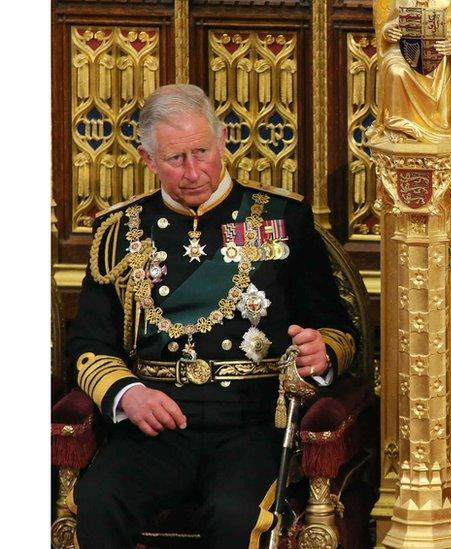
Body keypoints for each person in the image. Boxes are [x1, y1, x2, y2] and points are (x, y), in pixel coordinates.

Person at [66, 83, 357, 548]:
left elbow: (338, 329)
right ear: (147, 159)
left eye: (202, 152)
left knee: (236, 515)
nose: (193, 172)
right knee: (100, 500)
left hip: (251, 426)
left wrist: (321, 355)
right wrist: (128, 393)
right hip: (156, 424)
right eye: (175, 159)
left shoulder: (282, 218)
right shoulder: (118, 231)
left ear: (223, 141)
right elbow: (88, 343)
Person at [368, 0, 451, 143]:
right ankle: (399, 125)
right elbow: (390, 25)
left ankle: (441, 124)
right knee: (395, 69)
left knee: (440, 63)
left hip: (439, 56)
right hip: (406, 52)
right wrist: (388, 32)